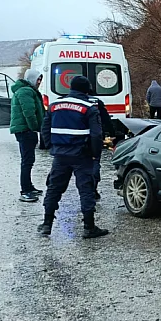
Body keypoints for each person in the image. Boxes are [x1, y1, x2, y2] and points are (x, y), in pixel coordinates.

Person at [37, 75, 109, 239]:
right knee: (86, 189)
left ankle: (47, 224)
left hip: (60, 155)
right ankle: (89, 227)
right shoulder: (89, 107)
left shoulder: (55, 105)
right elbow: (96, 135)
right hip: (81, 155)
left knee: (54, 188)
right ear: (86, 90)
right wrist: (94, 155)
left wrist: (52, 146)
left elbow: (45, 128)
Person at [10, 68, 45, 202]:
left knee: (29, 160)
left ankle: (29, 187)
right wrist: (35, 128)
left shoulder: (27, 90)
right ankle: (25, 191)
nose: (39, 82)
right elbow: (29, 112)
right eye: (38, 79)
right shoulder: (26, 91)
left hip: (25, 130)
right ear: (31, 79)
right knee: (27, 161)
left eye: (40, 79)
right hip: (25, 130)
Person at [88, 87, 114, 201]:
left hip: (76, 140)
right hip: (95, 138)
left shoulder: (71, 102)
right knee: (94, 163)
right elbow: (106, 119)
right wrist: (113, 133)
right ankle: (93, 189)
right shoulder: (97, 102)